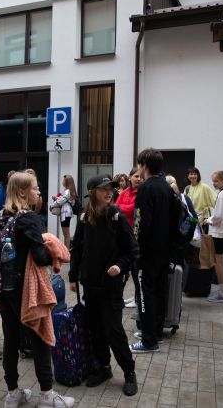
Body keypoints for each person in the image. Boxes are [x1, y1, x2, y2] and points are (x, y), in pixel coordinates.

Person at [0, 172, 76, 408]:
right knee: (40, 337)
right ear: (22, 192)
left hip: (5, 287)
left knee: (11, 338)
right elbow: (41, 258)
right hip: (27, 290)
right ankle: (47, 396)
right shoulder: (29, 218)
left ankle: (12, 393)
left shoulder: (2, 216)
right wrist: (47, 241)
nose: (37, 192)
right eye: (34, 188)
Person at [69, 174, 139, 396]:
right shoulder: (84, 216)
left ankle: (129, 372)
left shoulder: (116, 215)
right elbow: (76, 249)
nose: (109, 192)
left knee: (114, 330)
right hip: (90, 284)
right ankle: (103, 367)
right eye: (103, 189)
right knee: (95, 329)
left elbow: (132, 250)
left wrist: (120, 265)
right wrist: (72, 276)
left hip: (111, 287)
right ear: (93, 193)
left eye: (110, 188)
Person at [129, 148, 172, 353]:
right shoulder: (166, 187)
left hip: (147, 252)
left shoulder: (146, 188)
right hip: (164, 250)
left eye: (140, 164)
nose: (138, 168)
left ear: (144, 165)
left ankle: (148, 341)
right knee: (160, 290)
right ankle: (155, 332)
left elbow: (140, 222)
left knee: (145, 293)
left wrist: (136, 248)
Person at [204, 170, 223, 304]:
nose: (214, 183)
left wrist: (207, 220)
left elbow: (218, 217)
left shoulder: (222, 195)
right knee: (220, 261)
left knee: (218, 262)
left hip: (220, 233)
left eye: (216, 181)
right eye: (213, 181)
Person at [116, 167, 142, 308]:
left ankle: (138, 298)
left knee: (135, 269)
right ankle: (128, 297)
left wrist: (121, 208)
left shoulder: (141, 193)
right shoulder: (125, 192)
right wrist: (122, 207)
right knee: (125, 268)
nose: (139, 179)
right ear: (130, 177)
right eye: (136, 176)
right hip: (123, 234)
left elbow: (133, 208)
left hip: (135, 235)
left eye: (140, 177)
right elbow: (116, 205)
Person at [49, 174, 78, 249]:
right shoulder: (70, 191)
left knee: (66, 235)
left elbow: (62, 200)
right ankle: (67, 251)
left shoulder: (67, 191)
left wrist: (52, 205)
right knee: (66, 234)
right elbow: (64, 200)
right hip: (67, 213)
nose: (62, 182)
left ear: (67, 182)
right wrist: (58, 198)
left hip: (65, 214)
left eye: (63, 180)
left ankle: (66, 252)